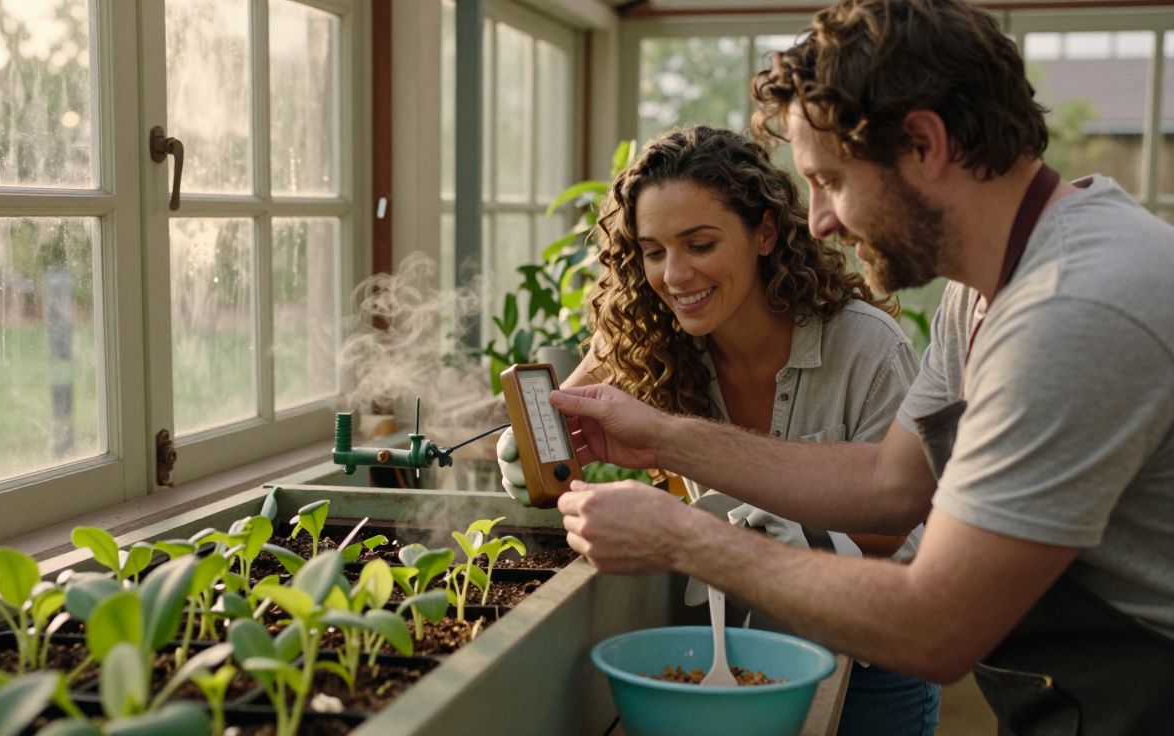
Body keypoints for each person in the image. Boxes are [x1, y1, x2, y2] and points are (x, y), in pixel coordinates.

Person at [550, 0, 1174, 732]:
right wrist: (658, 437)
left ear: (924, 143)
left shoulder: (1074, 309)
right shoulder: (983, 290)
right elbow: (889, 483)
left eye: (830, 181)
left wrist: (687, 539)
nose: (817, 222)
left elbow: (935, 627)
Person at [498, 125, 939, 734]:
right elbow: (560, 410)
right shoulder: (646, 337)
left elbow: (893, 526)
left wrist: (797, 528)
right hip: (734, 642)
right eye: (653, 251)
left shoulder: (866, 347)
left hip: (872, 654)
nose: (675, 275)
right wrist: (529, 444)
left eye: (700, 244)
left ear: (764, 232)